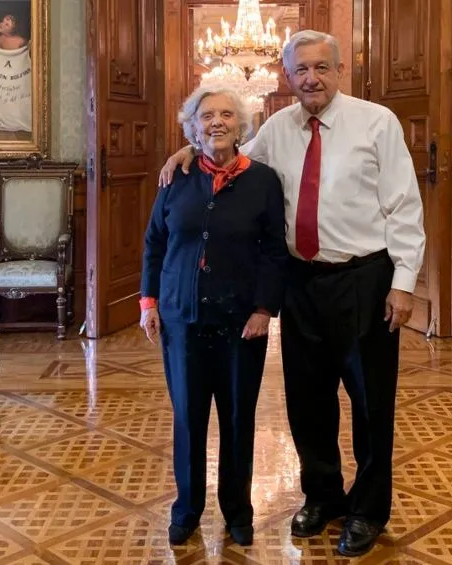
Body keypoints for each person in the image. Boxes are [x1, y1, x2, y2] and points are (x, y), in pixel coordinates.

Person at [158, 29, 425, 557]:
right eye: (301, 69)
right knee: (308, 402)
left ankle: (368, 509)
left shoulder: (378, 122)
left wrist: (403, 284)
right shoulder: (278, 128)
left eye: (322, 67)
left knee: (371, 404)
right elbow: (227, 153)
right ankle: (323, 495)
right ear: (287, 76)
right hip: (300, 284)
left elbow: (405, 206)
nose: (312, 78)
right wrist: (184, 152)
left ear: (339, 69)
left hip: (364, 280)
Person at [141, 86, 288, 547]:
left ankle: (238, 510)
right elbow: (154, 244)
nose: (217, 123)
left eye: (227, 114)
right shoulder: (175, 177)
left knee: (238, 418)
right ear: (193, 127)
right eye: (207, 116)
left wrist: (265, 308)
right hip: (181, 320)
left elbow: (274, 252)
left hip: (242, 324)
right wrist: (149, 302)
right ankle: (186, 510)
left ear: (241, 124)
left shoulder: (263, 180)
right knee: (188, 418)